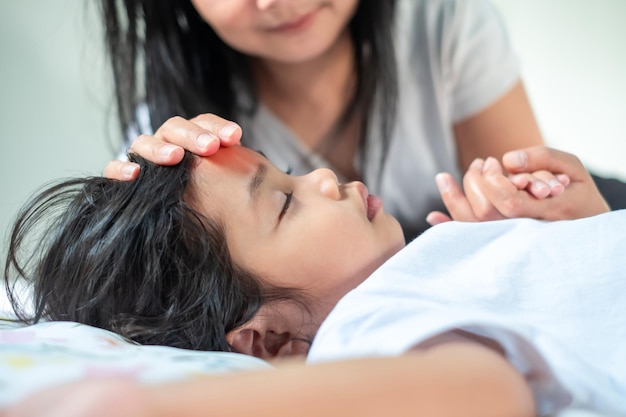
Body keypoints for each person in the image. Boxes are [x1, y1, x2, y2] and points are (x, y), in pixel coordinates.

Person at [3, 143, 624, 415]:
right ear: (268, 341)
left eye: (290, 174)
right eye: (284, 203)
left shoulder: (424, 270)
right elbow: (487, 391)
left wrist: (566, 232)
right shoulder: (365, 320)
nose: (324, 177)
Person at [101, 0, 626, 241]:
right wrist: (125, 230)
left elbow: (539, 225)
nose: (275, 2)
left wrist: (565, 221)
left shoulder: (441, 20)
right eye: (282, 199)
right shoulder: (177, 133)